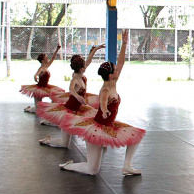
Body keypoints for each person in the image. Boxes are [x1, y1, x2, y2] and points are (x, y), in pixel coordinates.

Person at [60, 31, 146, 176]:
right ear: (111, 75)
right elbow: (103, 102)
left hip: (109, 124)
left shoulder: (114, 82)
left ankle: (127, 166)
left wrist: (124, 44)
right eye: (115, 70)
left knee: (135, 137)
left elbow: (121, 62)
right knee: (92, 170)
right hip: (97, 128)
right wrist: (105, 110)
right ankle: (69, 166)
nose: (118, 70)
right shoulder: (105, 90)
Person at [37, 45, 103, 148]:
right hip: (69, 112)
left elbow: (88, 61)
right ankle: (48, 140)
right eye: (84, 66)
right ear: (81, 69)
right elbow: (71, 89)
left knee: (93, 119)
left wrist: (94, 50)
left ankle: (98, 140)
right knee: (65, 144)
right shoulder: (75, 78)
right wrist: (77, 96)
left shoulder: (81, 75)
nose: (86, 66)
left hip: (79, 109)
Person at [19, 43, 66, 113]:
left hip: (46, 87)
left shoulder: (47, 66)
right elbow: (36, 74)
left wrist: (57, 49)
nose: (48, 59)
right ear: (43, 61)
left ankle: (50, 108)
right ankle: (29, 109)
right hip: (39, 88)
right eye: (46, 58)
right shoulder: (41, 69)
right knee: (38, 110)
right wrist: (35, 77)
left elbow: (53, 58)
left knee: (56, 96)